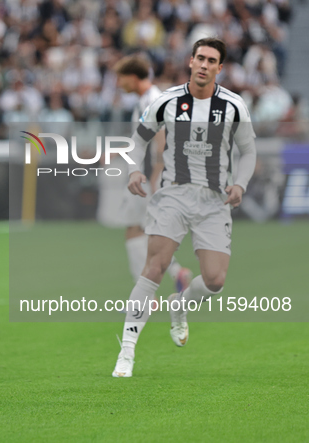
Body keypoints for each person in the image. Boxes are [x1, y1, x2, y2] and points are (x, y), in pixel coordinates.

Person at [112, 38, 257, 377]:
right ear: (191, 62)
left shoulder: (234, 106)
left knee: (215, 280)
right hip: (173, 195)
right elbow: (138, 140)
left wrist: (241, 184)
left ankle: (180, 305)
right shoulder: (167, 101)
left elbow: (249, 151)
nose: (205, 65)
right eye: (200, 58)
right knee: (154, 268)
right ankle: (127, 351)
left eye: (212, 61)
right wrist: (135, 169)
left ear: (220, 68)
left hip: (213, 200)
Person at [103, 54, 192, 290]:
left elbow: (161, 137)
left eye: (120, 78)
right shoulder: (149, 99)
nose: (118, 84)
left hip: (147, 175)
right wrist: (114, 153)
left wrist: (157, 172)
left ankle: (146, 294)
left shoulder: (149, 101)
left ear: (133, 78)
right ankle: (176, 272)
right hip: (151, 173)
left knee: (135, 230)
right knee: (147, 231)